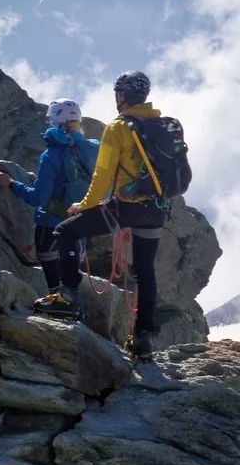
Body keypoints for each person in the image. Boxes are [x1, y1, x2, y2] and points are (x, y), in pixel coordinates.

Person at [52, 72, 168, 358]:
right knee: (145, 272)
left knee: (66, 231)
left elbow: (103, 174)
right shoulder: (163, 124)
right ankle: (142, 339)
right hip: (157, 210)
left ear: (121, 96)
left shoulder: (118, 127)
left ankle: (68, 297)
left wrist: (85, 204)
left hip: (127, 206)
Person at [0, 99, 97, 319]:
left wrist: (11, 184)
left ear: (56, 122)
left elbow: (37, 198)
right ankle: (78, 323)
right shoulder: (89, 151)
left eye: (50, 120)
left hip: (51, 228)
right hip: (80, 227)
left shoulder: (51, 155)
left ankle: (61, 323)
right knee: (71, 286)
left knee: (55, 290)